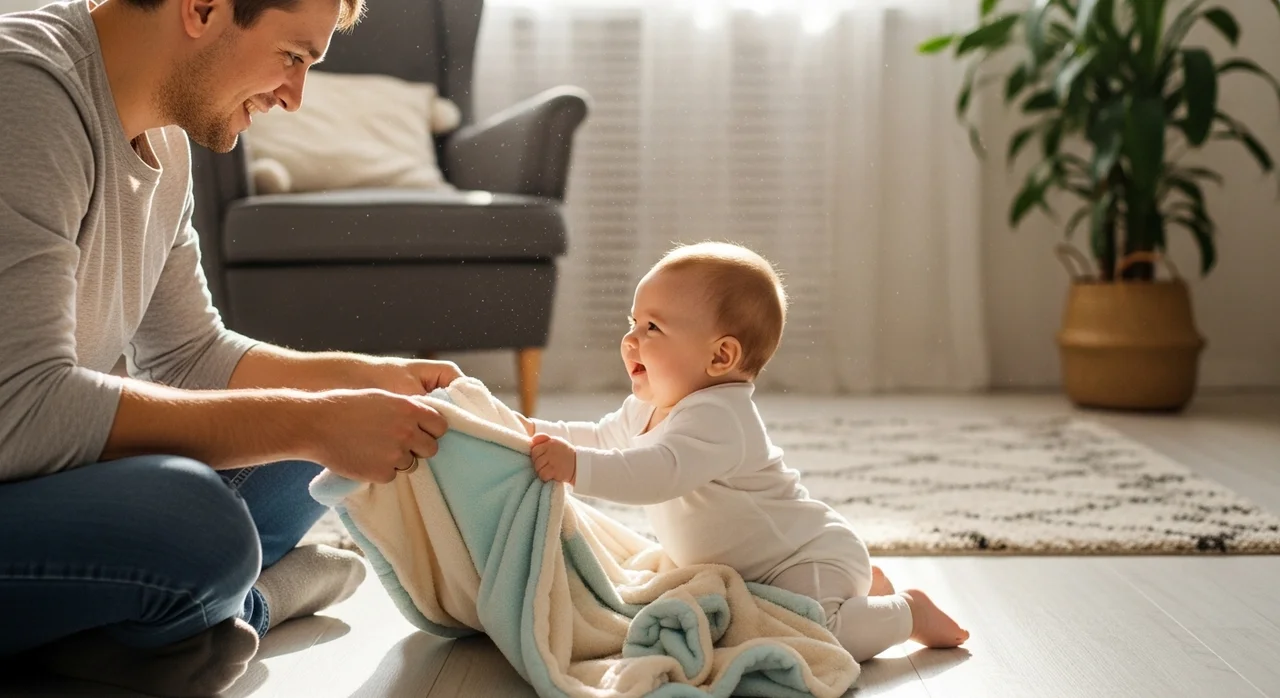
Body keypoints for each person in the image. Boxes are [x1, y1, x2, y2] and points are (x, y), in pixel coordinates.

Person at [0, 0, 464, 694]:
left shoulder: (164, 134)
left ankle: (141, 635)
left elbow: (190, 357)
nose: (295, 96)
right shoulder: (26, 91)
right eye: (293, 57)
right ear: (204, 8)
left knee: (305, 459)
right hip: (18, 451)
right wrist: (314, 421)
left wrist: (371, 383)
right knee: (194, 521)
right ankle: (253, 602)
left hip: (32, 479)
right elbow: (23, 411)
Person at [516, 242, 970, 663]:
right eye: (631, 323)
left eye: (652, 327)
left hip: (802, 557)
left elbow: (657, 472)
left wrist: (577, 468)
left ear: (720, 356)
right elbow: (599, 435)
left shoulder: (720, 416)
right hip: (770, 568)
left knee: (821, 635)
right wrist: (530, 430)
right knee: (783, 614)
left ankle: (909, 611)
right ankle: (867, 586)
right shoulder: (648, 408)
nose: (631, 339)